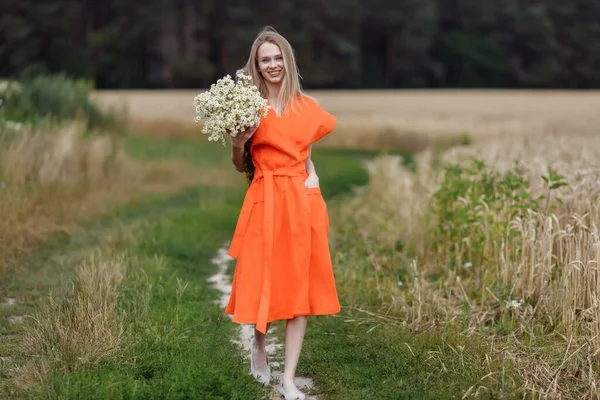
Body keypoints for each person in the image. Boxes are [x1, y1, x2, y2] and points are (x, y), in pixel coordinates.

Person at [224, 26, 340, 400]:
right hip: (265, 195)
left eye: (277, 58)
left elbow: (302, 148)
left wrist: (312, 176)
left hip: (301, 200)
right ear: (256, 67)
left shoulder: (306, 106)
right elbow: (241, 166)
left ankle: (288, 378)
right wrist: (239, 141)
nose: (272, 65)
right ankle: (259, 344)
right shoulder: (247, 106)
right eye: (265, 60)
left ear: (287, 61)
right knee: (262, 276)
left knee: (299, 287)